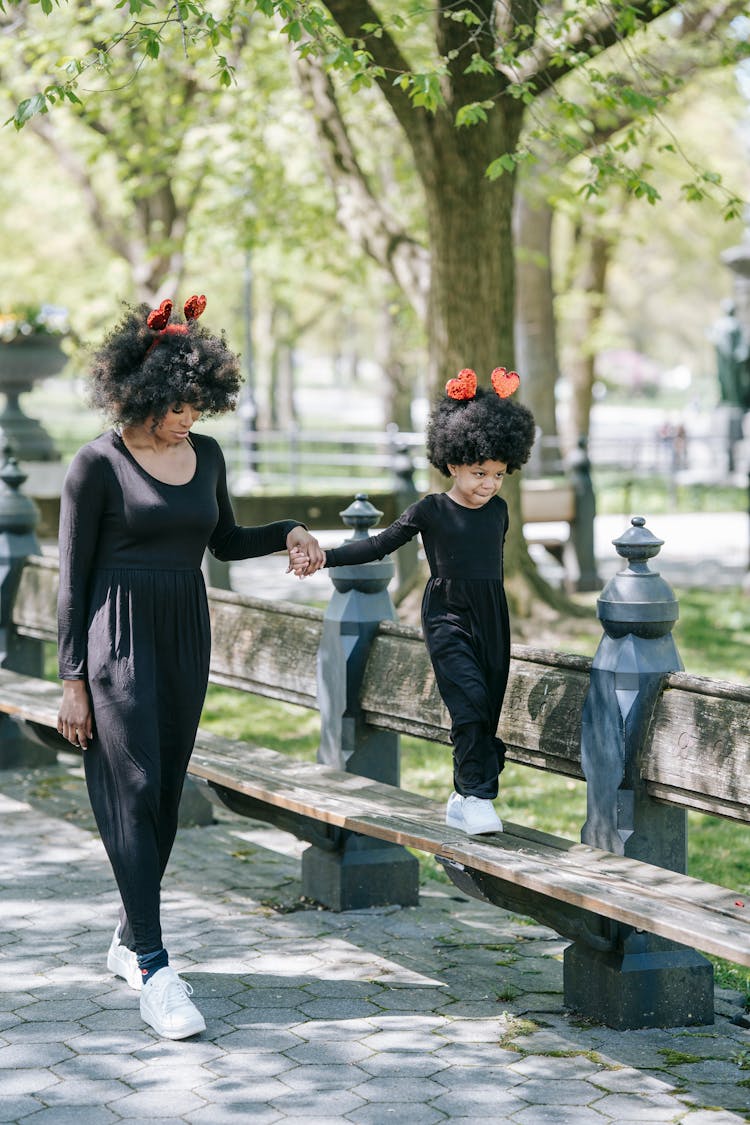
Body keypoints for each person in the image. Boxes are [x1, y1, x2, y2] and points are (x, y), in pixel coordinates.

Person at [56, 295, 324, 1040]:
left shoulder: (206, 456)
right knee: (134, 784)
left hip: (184, 634)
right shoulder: (96, 465)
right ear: (137, 391)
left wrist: (291, 531)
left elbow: (228, 539)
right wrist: (71, 678)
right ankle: (155, 964)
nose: (188, 417)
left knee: (167, 793)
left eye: (197, 403)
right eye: (176, 404)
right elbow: (72, 580)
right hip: (117, 640)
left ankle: (124, 935)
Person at [291, 365, 536, 837]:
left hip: (492, 616)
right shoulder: (431, 509)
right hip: (447, 614)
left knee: (487, 708)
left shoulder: (500, 512)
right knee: (466, 703)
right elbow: (377, 545)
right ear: (453, 462)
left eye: (499, 475)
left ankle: (465, 794)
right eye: (479, 472)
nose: (488, 484)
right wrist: (325, 559)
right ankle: (479, 796)